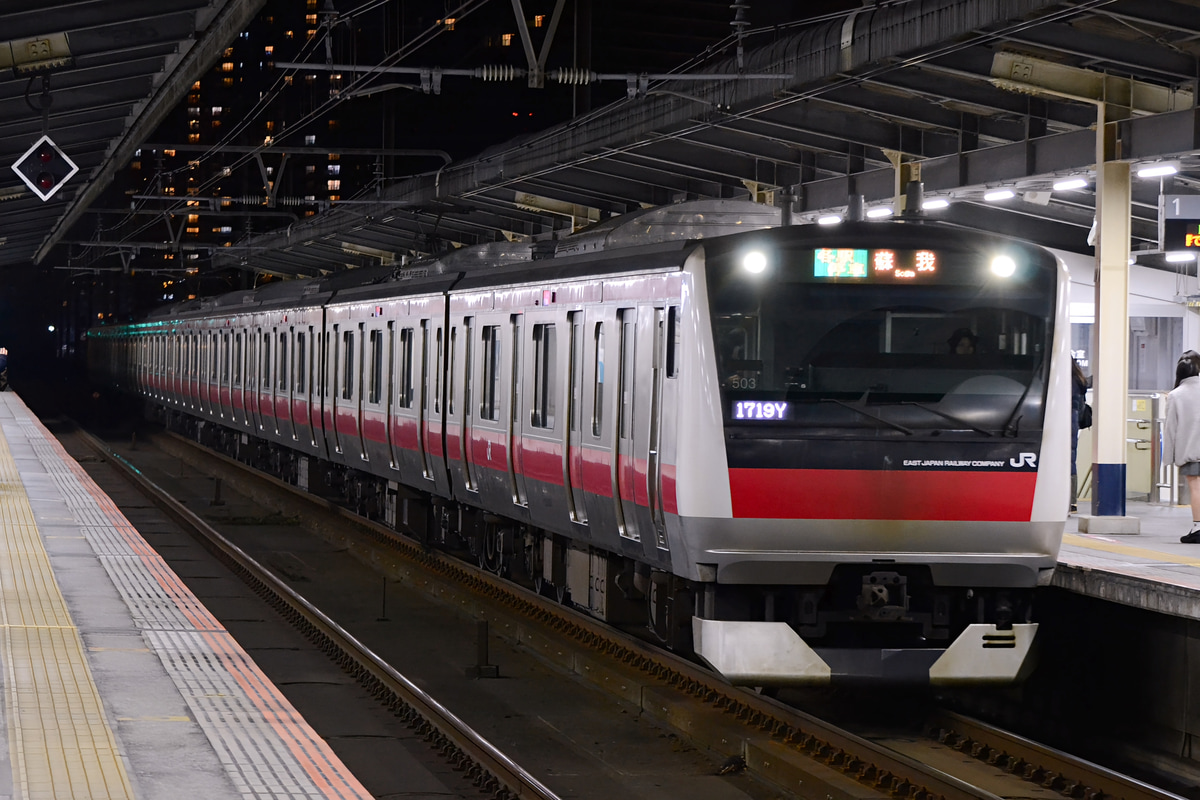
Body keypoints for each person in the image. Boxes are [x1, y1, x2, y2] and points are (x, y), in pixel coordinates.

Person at [1163, 350, 1200, 542]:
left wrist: (1168, 458)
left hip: (1190, 451)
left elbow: (1170, 429)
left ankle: (1198, 528)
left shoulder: (1175, 395)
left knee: (1196, 488)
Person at [1069, 359, 1089, 513]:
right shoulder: (1079, 380)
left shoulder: (1063, 381)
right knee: (1071, 460)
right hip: (1074, 421)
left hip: (1063, 420)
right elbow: (1082, 407)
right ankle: (1072, 501)